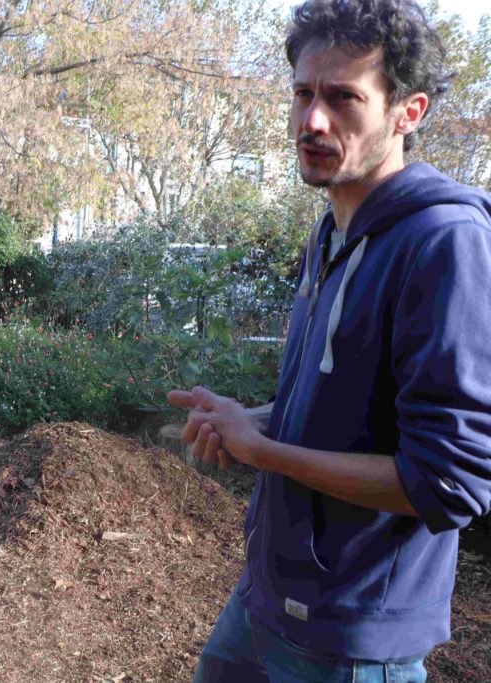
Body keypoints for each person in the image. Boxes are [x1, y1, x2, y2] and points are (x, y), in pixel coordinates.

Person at [167, 1, 491, 681]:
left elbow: (448, 481)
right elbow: (347, 413)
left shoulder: (445, 243)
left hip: (351, 642)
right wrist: (249, 421)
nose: (312, 120)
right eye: (304, 94)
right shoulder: (332, 232)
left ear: (410, 112)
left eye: (343, 97)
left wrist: (268, 451)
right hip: (263, 603)